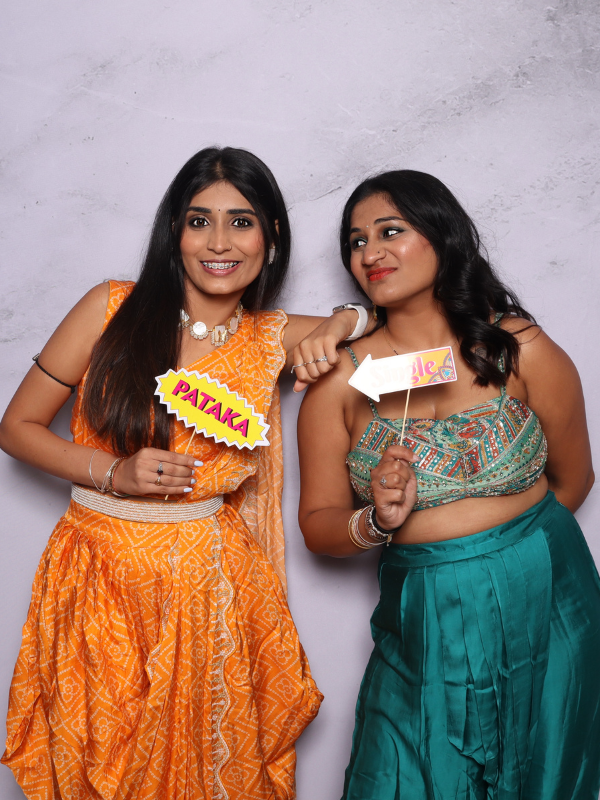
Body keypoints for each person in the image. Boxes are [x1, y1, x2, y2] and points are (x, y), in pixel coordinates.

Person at [0, 146, 370, 800]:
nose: (219, 241)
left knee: (198, 770)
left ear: (272, 236)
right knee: (94, 761)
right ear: (175, 232)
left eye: (242, 221)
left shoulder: (270, 337)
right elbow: (16, 428)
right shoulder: (111, 307)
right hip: (97, 573)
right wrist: (115, 472)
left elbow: (410, 343)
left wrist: (347, 317)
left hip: (207, 588)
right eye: (199, 221)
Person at [298, 170, 600, 799]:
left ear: (442, 236)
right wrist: (376, 521)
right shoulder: (337, 384)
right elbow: (318, 526)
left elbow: (575, 479)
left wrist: (505, 555)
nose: (370, 253)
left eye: (391, 231)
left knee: (546, 776)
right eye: (356, 241)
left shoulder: (516, 347)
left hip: (547, 599)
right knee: (400, 775)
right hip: (423, 612)